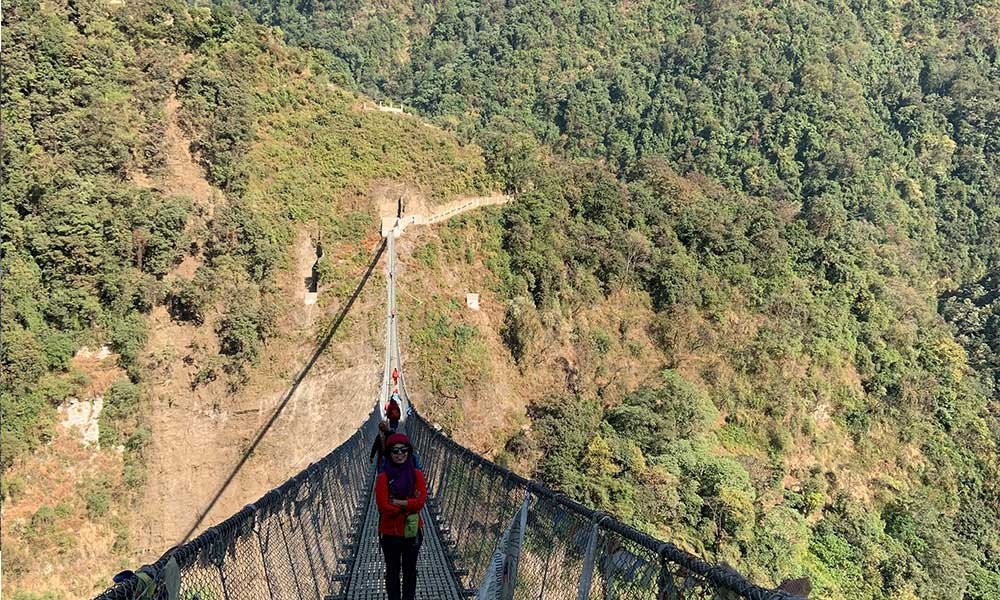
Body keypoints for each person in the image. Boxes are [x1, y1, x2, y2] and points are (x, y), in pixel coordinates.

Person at [376, 433, 426, 600]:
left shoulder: (417, 474)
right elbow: (383, 506)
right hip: (390, 534)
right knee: (392, 571)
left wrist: (396, 502)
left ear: (409, 451)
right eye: (395, 451)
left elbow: (420, 502)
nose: (400, 454)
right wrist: (408, 504)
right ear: (389, 453)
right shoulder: (383, 477)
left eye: (403, 450)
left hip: (412, 532)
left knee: (410, 571)